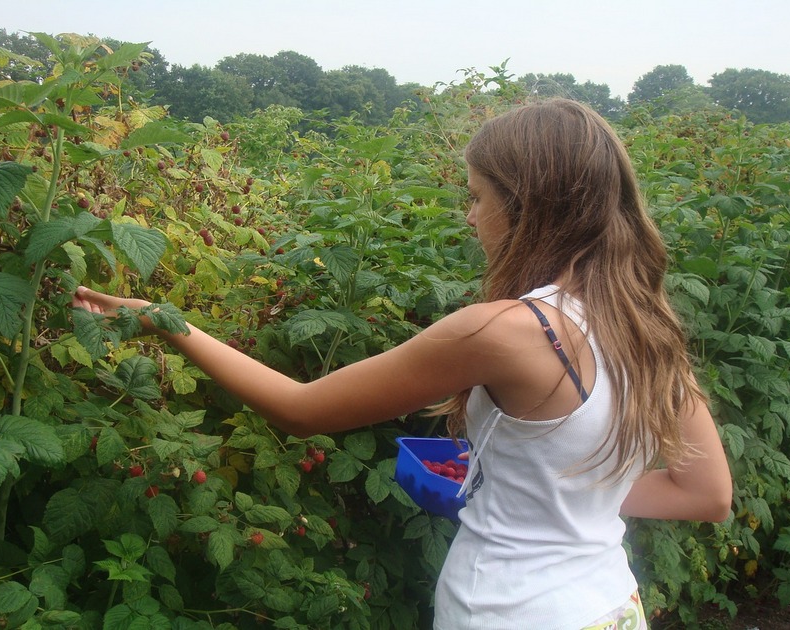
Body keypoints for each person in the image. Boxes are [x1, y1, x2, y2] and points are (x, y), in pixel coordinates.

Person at [72, 97, 732, 630]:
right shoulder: (646, 325)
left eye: (477, 197)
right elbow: (706, 495)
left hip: (508, 611)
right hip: (609, 607)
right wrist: (552, 494)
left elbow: (302, 410)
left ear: (525, 206)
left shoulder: (507, 331)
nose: (471, 217)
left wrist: (168, 321)